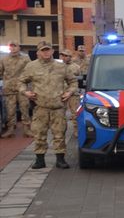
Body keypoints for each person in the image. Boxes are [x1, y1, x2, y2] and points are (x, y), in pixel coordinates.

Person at [19, 41, 77, 169]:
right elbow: (21, 81)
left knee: (59, 134)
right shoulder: (31, 67)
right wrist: (25, 92)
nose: (46, 52)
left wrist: (69, 92)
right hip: (41, 108)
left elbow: (73, 81)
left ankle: (60, 159)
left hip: (58, 107)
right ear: (38, 52)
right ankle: (40, 160)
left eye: (48, 50)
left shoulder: (61, 67)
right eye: (43, 50)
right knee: (39, 134)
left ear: (52, 51)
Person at [0, 41, 32, 138]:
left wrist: (29, 86)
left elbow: (30, 72)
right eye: (11, 46)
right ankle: (10, 129)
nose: (13, 48)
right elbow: (0, 72)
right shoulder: (3, 59)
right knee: (10, 110)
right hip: (9, 89)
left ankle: (27, 129)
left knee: (25, 109)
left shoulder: (25, 58)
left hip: (22, 88)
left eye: (15, 46)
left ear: (19, 48)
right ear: (9, 48)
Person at [59, 49, 81, 137]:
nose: (63, 57)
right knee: (60, 114)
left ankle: (76, 130)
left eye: (65, 56)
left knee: (75, 114)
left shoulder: (76, 67)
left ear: (70, 57)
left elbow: (78, 80)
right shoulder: (58, 66)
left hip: (73, 93)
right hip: (61, 93)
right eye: (62, 56)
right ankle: (61, 131)